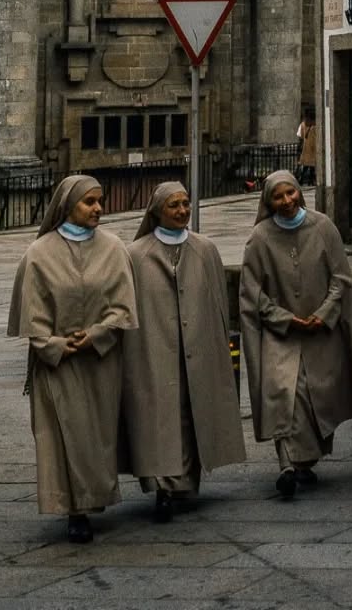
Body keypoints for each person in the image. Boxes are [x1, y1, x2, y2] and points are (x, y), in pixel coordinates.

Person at [7, 173, 137, 543]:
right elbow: (33, 314)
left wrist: (96, 335)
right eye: (89, 202)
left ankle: (93, 499)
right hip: (58, 364)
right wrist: (56, 345)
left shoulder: (114, 249)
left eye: (100, 200)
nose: (98, 208)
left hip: (100, 360)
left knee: (96, 436)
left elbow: (123, 306)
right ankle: (73, 509)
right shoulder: (39, 254)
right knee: (62, 436)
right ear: (68, 206)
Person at [120, 181, 245, 521]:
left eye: (186, 203)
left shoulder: (206, 249)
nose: (182, 211)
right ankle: (162, 485)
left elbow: (218, 304)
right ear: (157, 211)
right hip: (154, 349)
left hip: (198, 348)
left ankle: (186, 481)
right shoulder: (135, 255)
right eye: (174, 205)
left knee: (192, 413)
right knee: (159, 415)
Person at [239, 170, 352, 500]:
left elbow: (341, 279)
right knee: (285, 391)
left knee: (312, 395)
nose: (286, 201)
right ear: (269, 202)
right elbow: (253, 293)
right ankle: (286, 466)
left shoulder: (323, 228)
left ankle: (303, 461)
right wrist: (285, 318)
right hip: (281, 334)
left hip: (320, 332)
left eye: (290, 194)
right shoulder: (260, 238)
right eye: (278, 197)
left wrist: (322, 315)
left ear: (299, 193)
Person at [296, 109, 318, 189]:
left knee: (305, 165)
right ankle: (311, 181)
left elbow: (299, 135)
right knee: (312, 165)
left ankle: (302, 180)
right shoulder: (317, 125)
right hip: (314, 147)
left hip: (306, 148)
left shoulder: (303, 124)